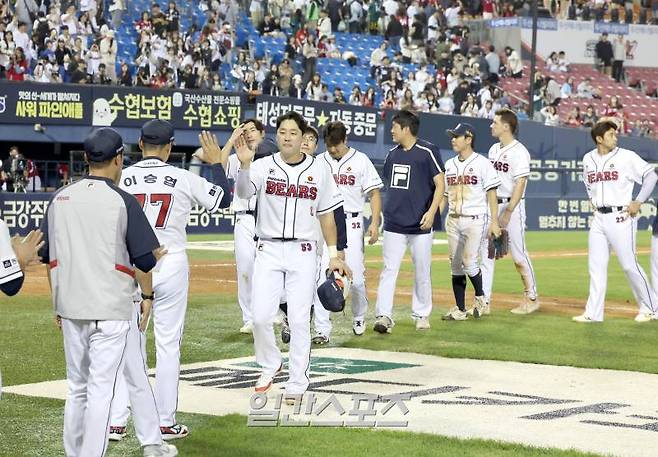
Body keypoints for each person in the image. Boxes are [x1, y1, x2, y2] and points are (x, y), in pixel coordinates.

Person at [38, 128, 176, 457]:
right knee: (101, 389)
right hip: (112, 310)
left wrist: (57, 301)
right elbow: (144, 259)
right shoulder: (123, 200)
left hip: (71, 308)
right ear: (118, 159)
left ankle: (83, 453)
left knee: (78, 389)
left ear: (86, 159)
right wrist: (149, 287)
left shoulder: (60, 198)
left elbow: (48, 257)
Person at [109, 120, 232, 441]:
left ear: (139, 143)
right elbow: (224, 200)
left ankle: (116, 420)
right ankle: (164, 420)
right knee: (168, 345)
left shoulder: (121, 177)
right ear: (170, 146)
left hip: (132, 265)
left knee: (127, 341)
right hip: (172, 262)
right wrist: (217, 162)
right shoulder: (182, 177)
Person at [234, 111, 351, 400]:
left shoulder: (319, 170)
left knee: (299, 320)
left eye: (293, 133)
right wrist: (245, 165)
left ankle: (298, 381)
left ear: (303, 139)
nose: (287, 137)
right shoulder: (262, 165)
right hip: (269, 248)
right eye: (282, 132)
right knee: (260, 317)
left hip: (304, 250)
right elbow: (243, 192)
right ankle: (271, 362)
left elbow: (327, 216)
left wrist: (334, 255)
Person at [574, 121, 658, 323]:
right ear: (599, 139)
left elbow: (651, 176)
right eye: (611, 134)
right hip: (599, 219)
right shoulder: (588, 159)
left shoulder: (626, 156)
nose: (615, 137)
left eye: (615, 133)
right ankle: (593, 313)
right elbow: (588, 183)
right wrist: (592, 202)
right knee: (596, 266)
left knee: (629, 265)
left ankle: (651, 307)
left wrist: (638, 201)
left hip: (621, 217)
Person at [310, 121, 383, 342]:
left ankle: (359, 316)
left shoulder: (360, 160)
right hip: (325, 223)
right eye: (329, 145)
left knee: (357, 279)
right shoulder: (318, 161)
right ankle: (322, 330)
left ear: (345, 141)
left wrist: (374, 222)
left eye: (336, 145)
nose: (332, 150)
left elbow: (374, 194)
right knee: (321, 279)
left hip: (352, 223)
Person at [373, 110, 445, 333]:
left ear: (406, 128)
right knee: (389, 269)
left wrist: (432, 212)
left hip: (421, 224)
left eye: (394, 127)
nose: (391, 131)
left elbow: (441, 184)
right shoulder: (392, 154)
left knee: (422, 270)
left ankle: (422, 314)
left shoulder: (427, 151)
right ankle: (383, 315)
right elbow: (390, 185)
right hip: (394, 223)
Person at [220, 118, 278, 334]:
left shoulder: (273, 158)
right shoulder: (238, 158)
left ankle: (275, 311)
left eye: (253, 130)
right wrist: (231, 140)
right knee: (245, 268)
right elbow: (219, 163)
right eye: (245, 131)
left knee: (271, 267)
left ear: (262, 133)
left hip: (269, 217)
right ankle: (249, 316)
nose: (249, 134)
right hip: (244, 218)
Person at [479, 109, 539, 315]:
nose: (491, 125)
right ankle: (484, 301)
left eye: (495, 122)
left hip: (512, 206)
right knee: (487, 254)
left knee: (519, 256)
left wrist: (509, 211)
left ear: (506, 126)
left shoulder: (519, 151)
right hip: (493, 204)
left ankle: (531, 296)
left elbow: (521, 182)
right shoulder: (493, 149)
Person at [442, 122, 501, 321]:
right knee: (455, 265)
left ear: (469, 139)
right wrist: (434, 216)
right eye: (452, 135)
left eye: (457, 136)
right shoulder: (449, 165)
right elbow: (444, 195)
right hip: (453, 219)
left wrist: (495, 222)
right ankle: (460, 309)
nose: (453, 139)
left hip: (475, 219)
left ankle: (481, 297)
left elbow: (492, 194)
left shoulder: (482, 163)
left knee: (469, 261)